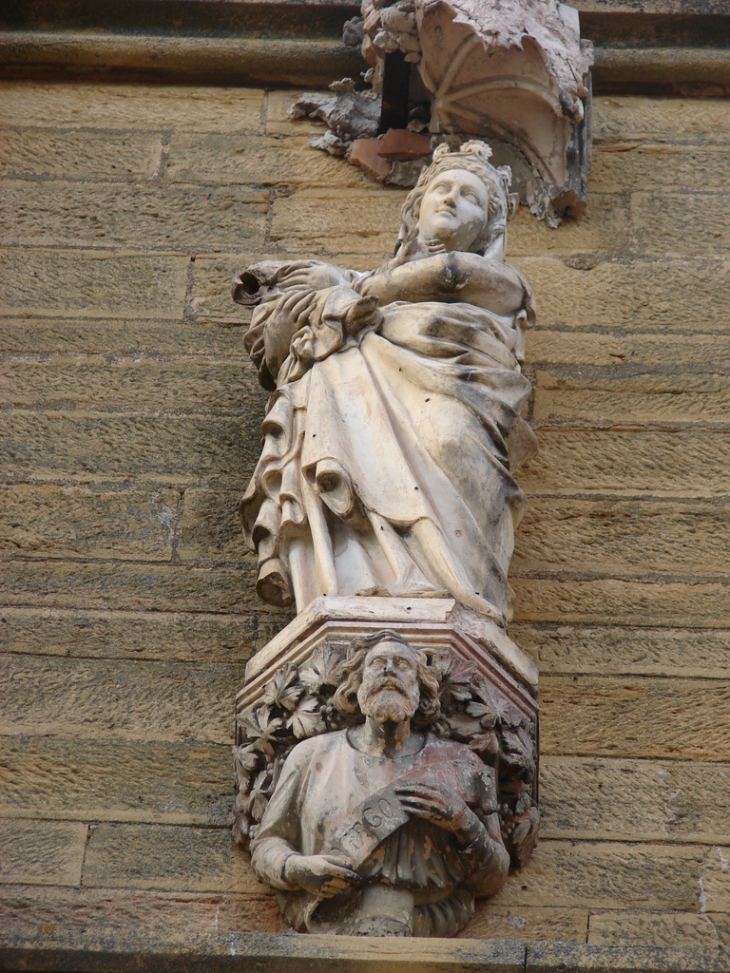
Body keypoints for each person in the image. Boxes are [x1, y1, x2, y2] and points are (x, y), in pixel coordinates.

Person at [234, 141, 537, 624]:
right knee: (342, 452)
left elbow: (448, 274)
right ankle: (352, 584)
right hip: (360, 389)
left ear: (489, 226)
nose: (451, 199)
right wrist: (295, 306)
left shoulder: (502, 281)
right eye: (441, 189)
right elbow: (275, 354)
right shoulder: (352, 285)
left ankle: (458, 591)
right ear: (416, 210)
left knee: (451, 442)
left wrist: (341, 288)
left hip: (460, 392)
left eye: (470, 196)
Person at [250, 631, 510, 937]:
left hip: (433, 916)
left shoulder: (462, 762)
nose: (389, 670)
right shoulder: (311, 755)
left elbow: (493, 878)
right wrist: (294, 868)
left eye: (402, 664)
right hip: (327, 912)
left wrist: (462, 820)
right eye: (377, 663)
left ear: (419, 686)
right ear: (356, 683)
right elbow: (267, 843)